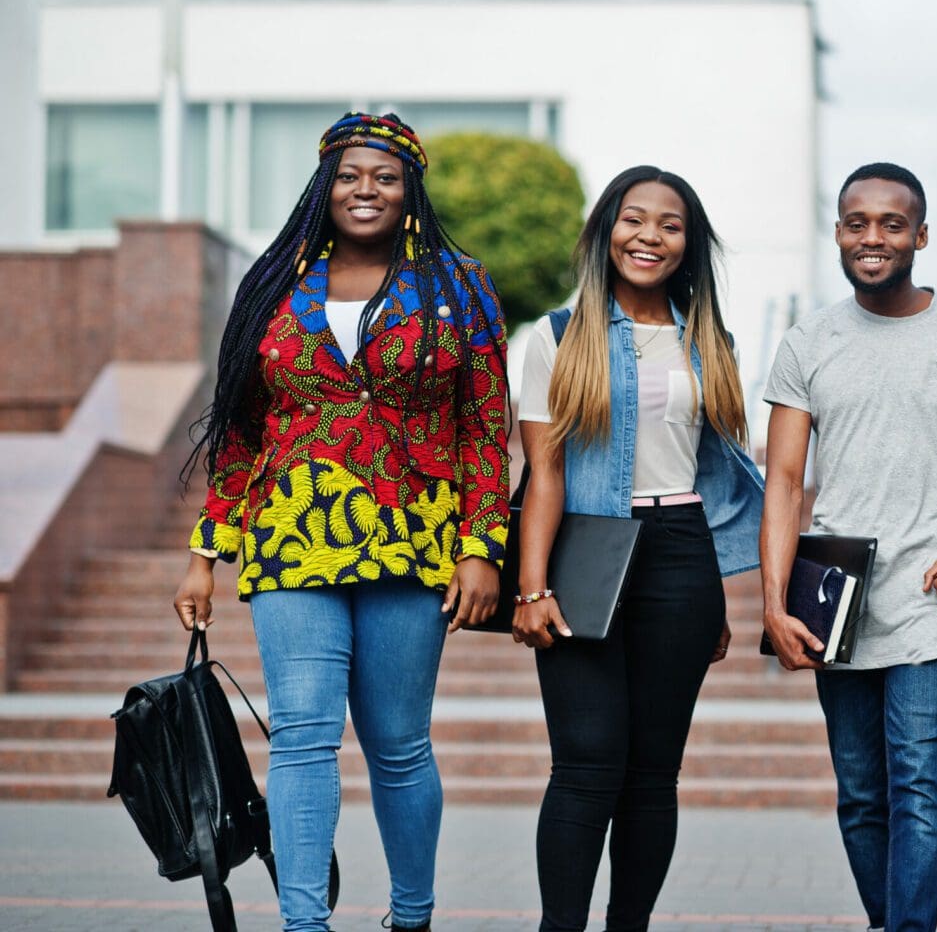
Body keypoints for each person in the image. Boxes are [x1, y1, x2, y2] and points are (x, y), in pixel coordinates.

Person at [173, 112, 510, 932]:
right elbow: (244, 433)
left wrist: (482, 547)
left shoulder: (457, 284)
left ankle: (412, 916)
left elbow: (486, 426)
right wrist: (205, 554)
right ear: (326, 185)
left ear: (409, 192)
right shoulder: (275, 282)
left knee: (398, 744)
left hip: (413, 537)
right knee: (302, 734)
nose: (368, 190)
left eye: (386, 177)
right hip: (291, 537)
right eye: (352, 175)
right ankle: (302, 924)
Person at [760, 162, 937, 932]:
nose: (872, 237)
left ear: (919, 235)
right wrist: (772, 604)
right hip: (834, 599)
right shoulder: (808, 340)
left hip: (927, 598)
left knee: (917, 783)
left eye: (890, 223)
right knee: (859, 793)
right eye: (856, 222)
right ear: (839, 231)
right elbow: (782, 481)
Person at [512, 165, 763, 932]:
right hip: (586, 552)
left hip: (682, 558)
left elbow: (718, 470)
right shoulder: (556, 336)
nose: (649, 235)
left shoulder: (707, 339)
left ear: (689, 246)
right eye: (633, 218)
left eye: (670, 224)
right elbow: (543, 474)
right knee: (585, 767)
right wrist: (531, 588)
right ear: (604, 231)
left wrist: (716, 587)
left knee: (653, 776)